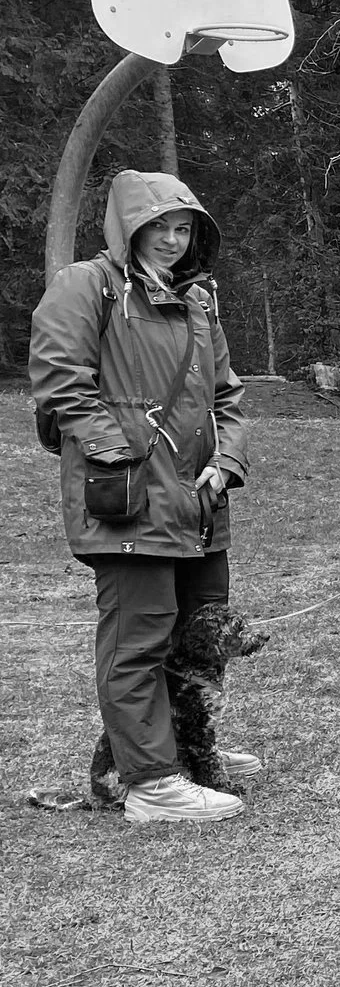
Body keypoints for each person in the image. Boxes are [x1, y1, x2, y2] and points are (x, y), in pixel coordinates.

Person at [29, 171, 256, 824]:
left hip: (198, 501)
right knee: (139, 638)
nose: (171, 240)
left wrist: (227, 459)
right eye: (158, 228)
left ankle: (179, 747)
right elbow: (57, 381)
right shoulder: (87, 286)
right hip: (128, 500)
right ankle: (152, 782)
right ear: (129, 229)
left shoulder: (197, 300)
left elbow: (228, 397)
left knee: (196, 632)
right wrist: (126, 447)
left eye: (183, 229)